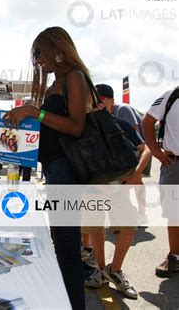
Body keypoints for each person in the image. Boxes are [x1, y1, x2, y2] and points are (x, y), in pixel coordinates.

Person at [3, 26, 90, 310]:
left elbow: (76, 127)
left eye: (40, 52)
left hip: (66, 171)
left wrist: (35, 112)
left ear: (57, 48)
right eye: (35, 55)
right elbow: (50, 126)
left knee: (67, 249)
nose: (38, 60)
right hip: (53, 170)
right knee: (61, 246)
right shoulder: (57, 82)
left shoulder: (74, 78)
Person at [82, 109, 151, 299]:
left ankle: (115, 270)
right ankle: (101, 270)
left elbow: (145, 149)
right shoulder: (83, 127)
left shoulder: (120, 124)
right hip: (93, 189)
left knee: (129, 225)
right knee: (95, 228)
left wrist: (136, 174)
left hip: (119, 187)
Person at [96, 83, 152, 225]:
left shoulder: (123, 111)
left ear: (111, 100)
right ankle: (120, 216)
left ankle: (142, 214)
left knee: (136, 180)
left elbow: (133, 138)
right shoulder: (95, 118)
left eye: (101, 98)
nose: (98, 102)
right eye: (95, 98)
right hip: (120, 151)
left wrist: (136, 172)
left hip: (134, 148)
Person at [143, 86, 179, 278]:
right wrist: (155, 151)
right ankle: (175, 256)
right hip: (174, 163)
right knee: (174, 214)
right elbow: (148, 121)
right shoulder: (172, 95)